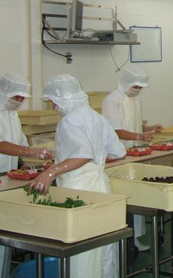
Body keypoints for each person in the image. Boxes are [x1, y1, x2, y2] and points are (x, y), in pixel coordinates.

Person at [30, 75, 126, 278]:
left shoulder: (69, 121)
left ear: (64, 99)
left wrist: (50, 172)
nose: (54, 107)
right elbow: (119, 152)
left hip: (80, 192)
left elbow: (83, 154)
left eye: (54, 102)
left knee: (83, 254)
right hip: (101, 189)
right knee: (104, 247)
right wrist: (97, 162)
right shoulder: (97, 117)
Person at [0, 73, 53, 278]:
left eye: (22, 98)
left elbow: (19, 143)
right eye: (16, 97)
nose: (18, 101)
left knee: (2, 231)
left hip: (7, 178)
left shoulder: (12, 114)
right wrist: (31, 152)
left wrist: (29, 163)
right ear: (4, 92)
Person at [101, 64, 161, 252]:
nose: (137, 90)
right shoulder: (111, 101)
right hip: (117, 155)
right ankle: (124, 241)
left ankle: (135, 238)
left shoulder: (135, 100)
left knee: (137, 195)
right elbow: (116, 131)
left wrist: (148, 130)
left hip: (135, 153)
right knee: (123, 197)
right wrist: (139, 136)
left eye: (140, 88)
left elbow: (134, 125)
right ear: (126, 82)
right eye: (135, 86)